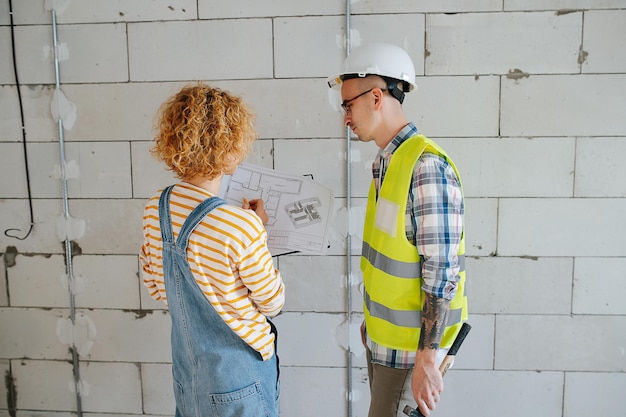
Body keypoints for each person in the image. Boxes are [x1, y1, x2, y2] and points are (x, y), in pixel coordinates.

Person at [327, 43, 468, 417]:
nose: (345, 118)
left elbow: (442, 271)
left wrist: (426, 358)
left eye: (348, 105)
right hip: (384, 343)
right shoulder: (387, 163)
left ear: (376, 97)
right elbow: (389, 259)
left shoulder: (425, 167)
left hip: (410, 354)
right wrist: (371, 322)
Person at [140, 84, 285, 417]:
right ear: (231, 149)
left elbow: (160, 291)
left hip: (188, 370)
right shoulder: (240, 225)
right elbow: (273, 302)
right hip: (239, 376)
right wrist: (258, 233)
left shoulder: (154, 209)